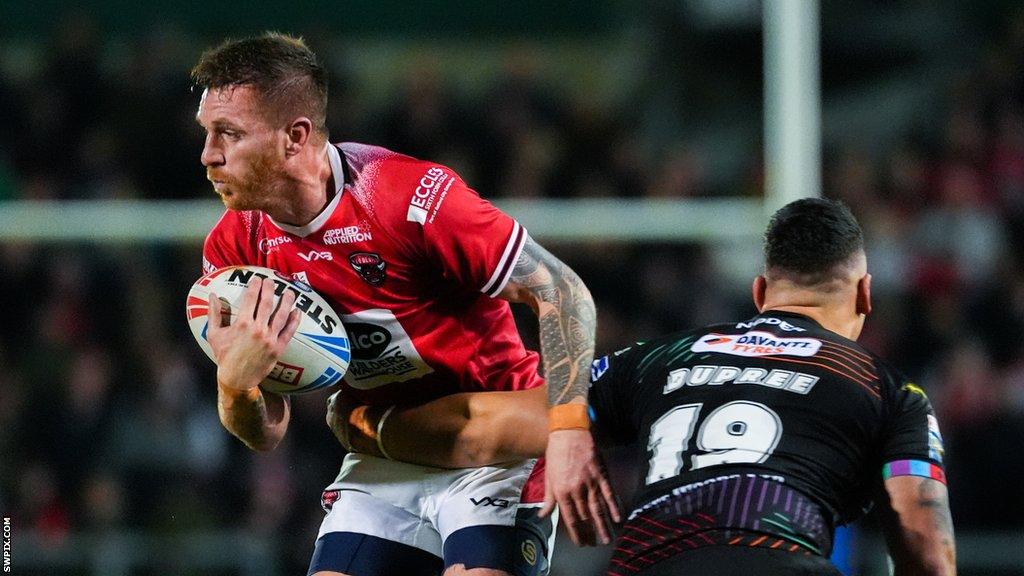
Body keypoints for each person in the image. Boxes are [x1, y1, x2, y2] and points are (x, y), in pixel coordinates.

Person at [342, 198, 956, 575]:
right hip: (784, 562)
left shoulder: (661, 359)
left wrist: (366, 425)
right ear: (866, 296)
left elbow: (486, 427)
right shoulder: (892, 392)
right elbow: (926, 550)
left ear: (760, 294)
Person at [191, 33, 617, 576]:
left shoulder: (411, 199)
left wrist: (568, 430)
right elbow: (265, 434)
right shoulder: (234, 252)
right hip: (387, 457)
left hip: (495, 452)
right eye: (207, 133)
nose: (208, 154)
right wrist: (235, 384)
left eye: (228, 134)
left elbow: (560, 290)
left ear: (295, 137)